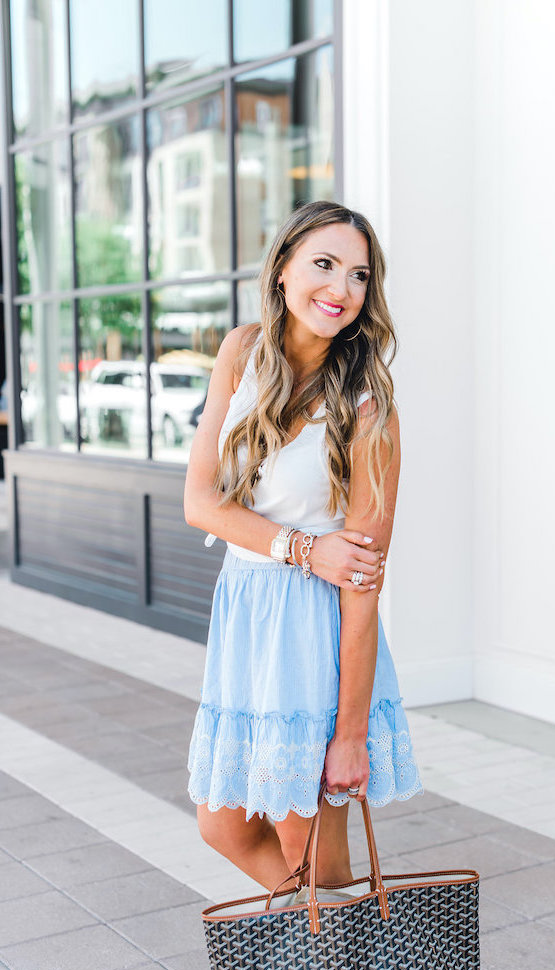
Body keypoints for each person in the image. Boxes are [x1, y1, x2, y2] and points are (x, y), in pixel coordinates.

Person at [184, 200, 422, 894]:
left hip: (312, 635)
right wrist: (301, 547)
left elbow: (362, 582)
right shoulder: (241, 352)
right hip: (245, 626)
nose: (341, 289)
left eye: (358, 275)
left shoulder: (367, 403)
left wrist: (349, 733)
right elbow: (201, 501)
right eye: (324, 264)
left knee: (313, 854)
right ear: (283, 267)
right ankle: (328, 965)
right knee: (224, 823)